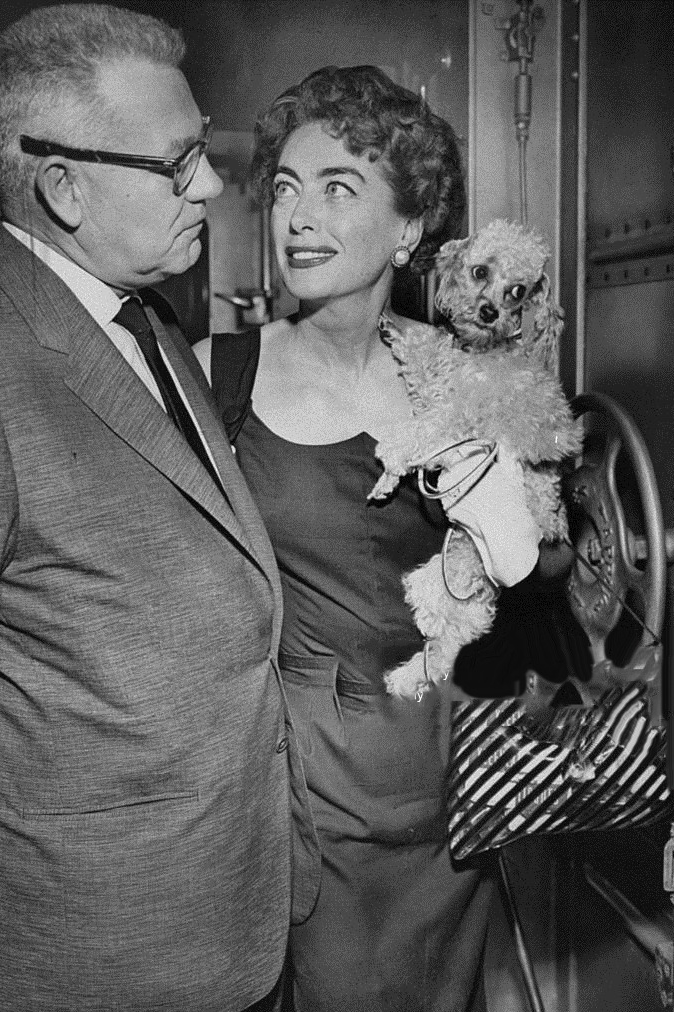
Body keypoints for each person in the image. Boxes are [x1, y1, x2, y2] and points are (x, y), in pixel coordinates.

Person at [0, 6, 319, 1011]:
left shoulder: (144, 315)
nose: (209, 184)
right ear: (64, 186)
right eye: (177, 162)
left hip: (224, 917)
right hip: (93, 959)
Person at [195, 65, 545, 1011]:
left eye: (338, 189)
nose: (297, 218)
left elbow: (536, 559)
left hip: (457, 785)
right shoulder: (213, 375)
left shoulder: (463, 370)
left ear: (409, 227)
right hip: (307, 802)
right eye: (284, 189)